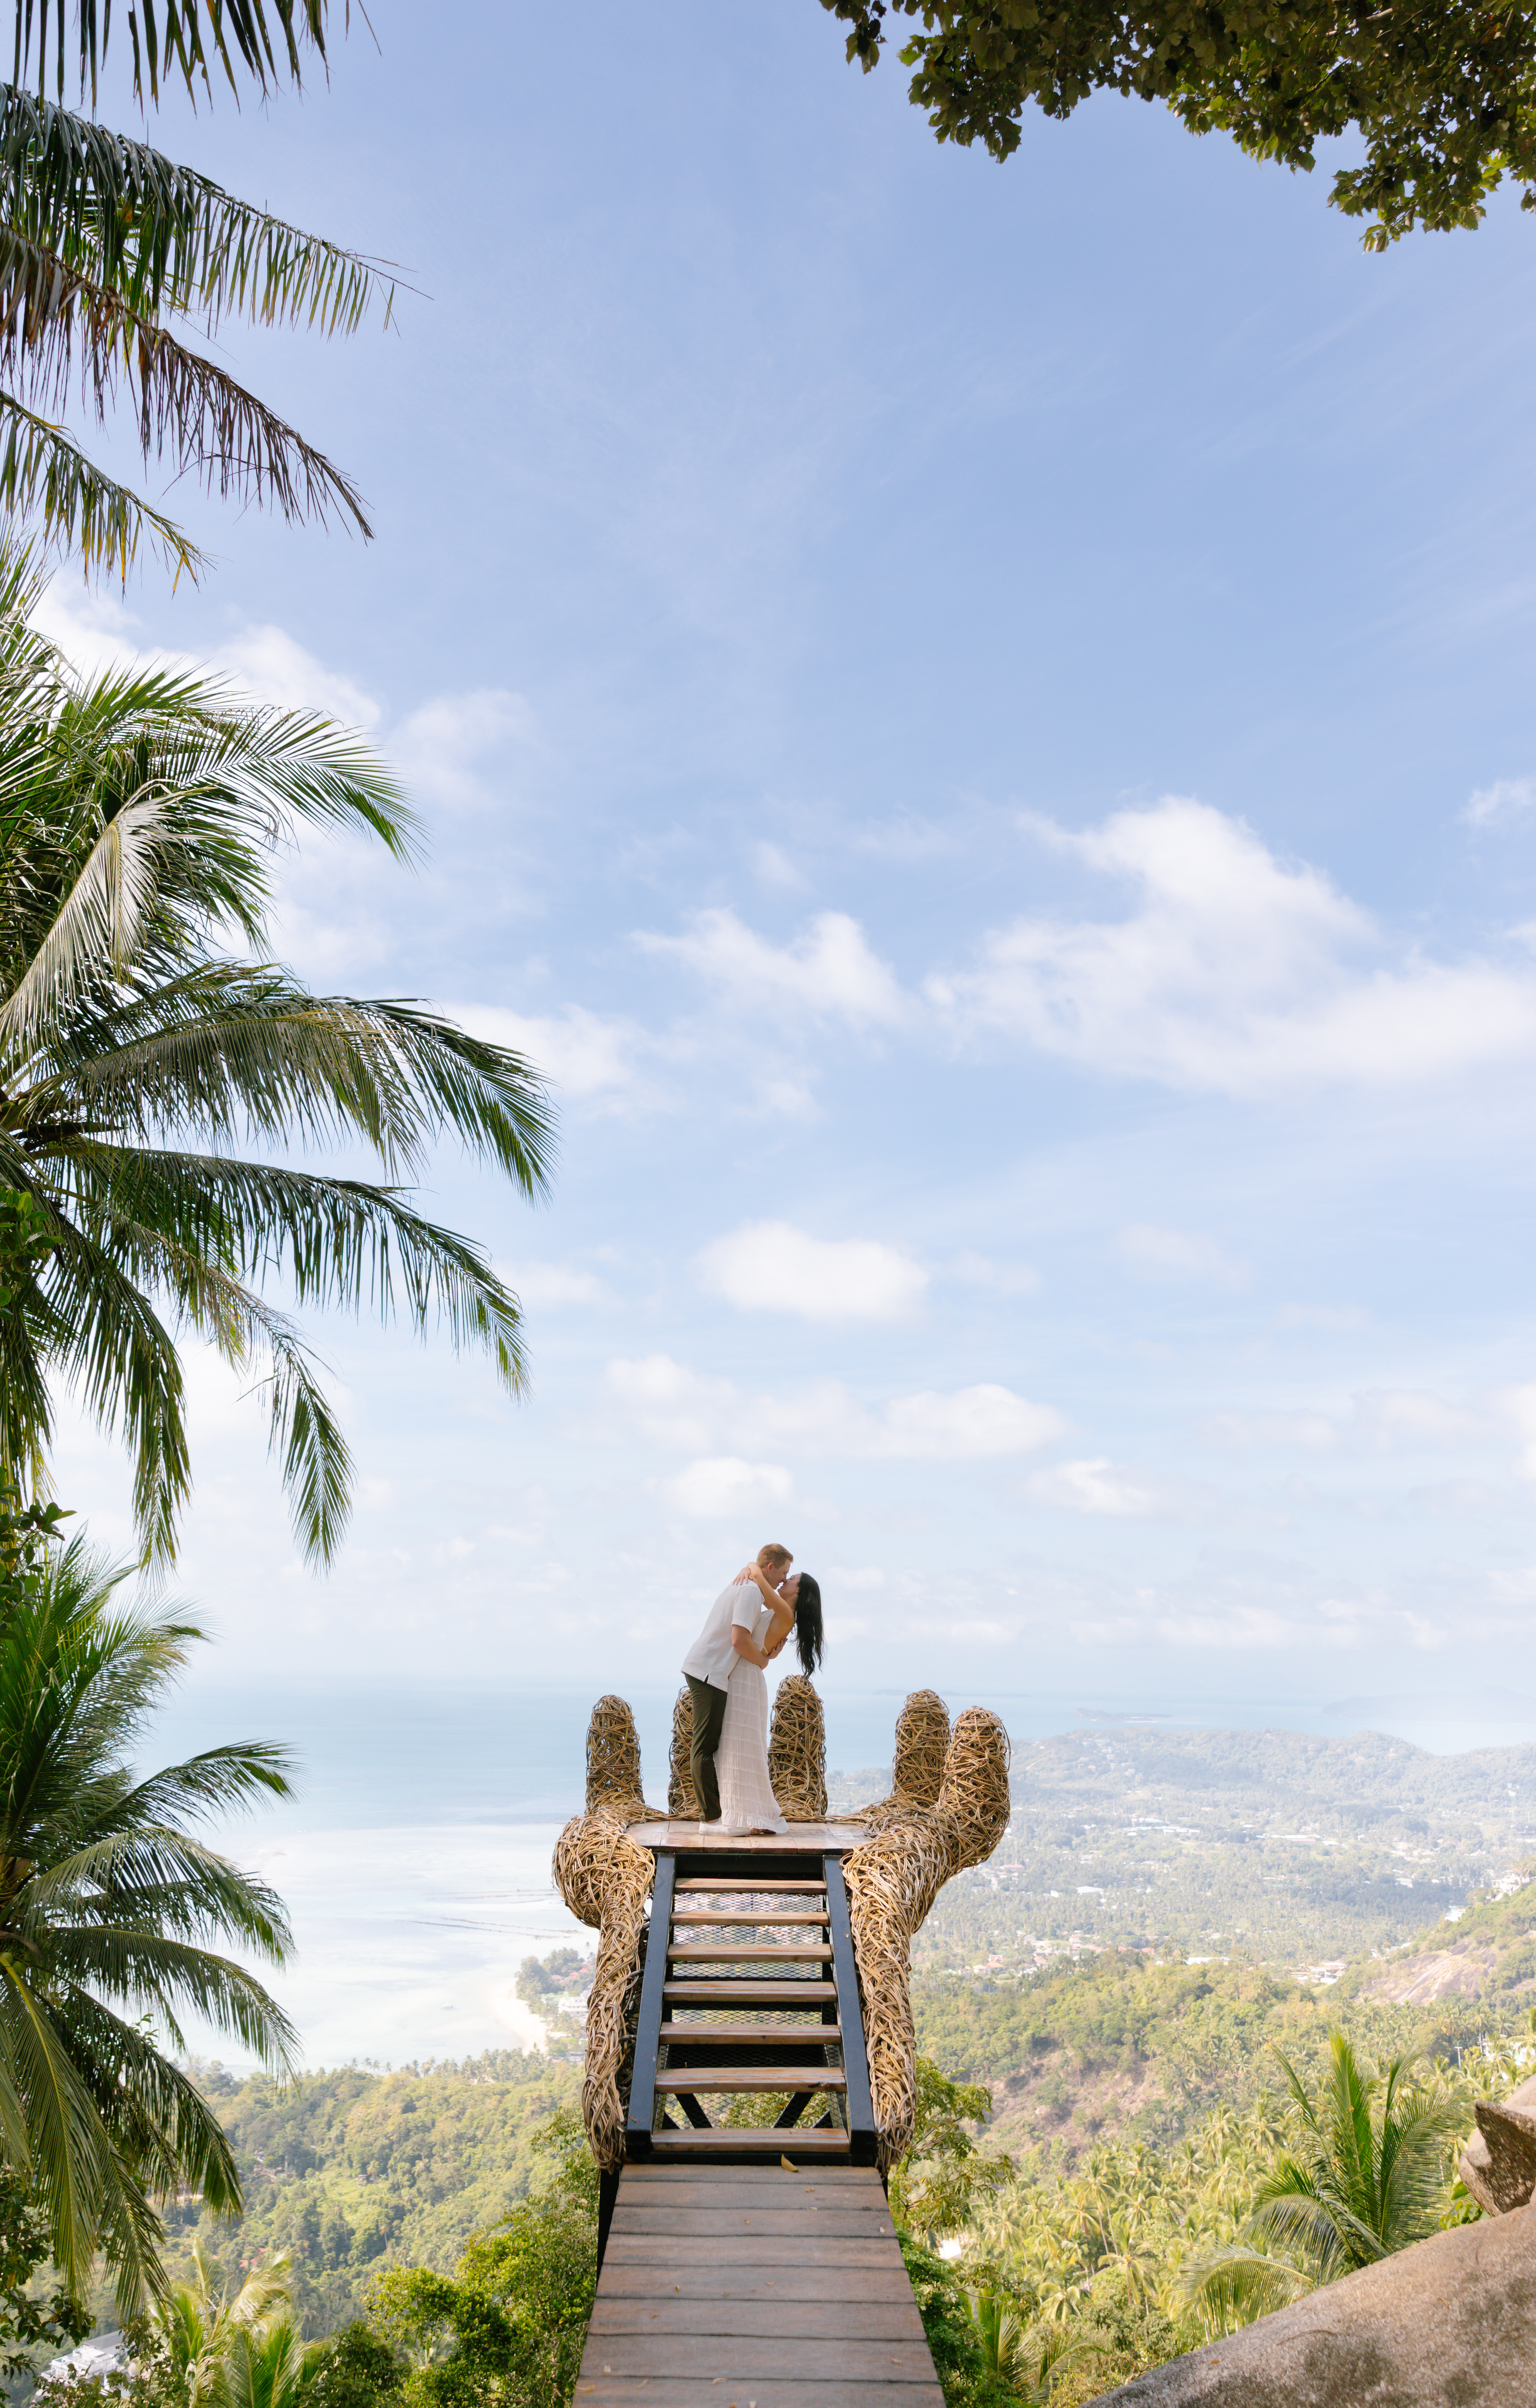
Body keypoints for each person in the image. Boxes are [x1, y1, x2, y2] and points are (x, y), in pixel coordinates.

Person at [716, 1564, 824, 1834]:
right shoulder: (783, 1613)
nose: (787, 1579)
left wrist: (751, 1566)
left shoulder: (786, 1612)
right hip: (744, 1674)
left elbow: (760, 1581)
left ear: (798, 1590)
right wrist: (766, 1657)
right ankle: (739, 1813)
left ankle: (743, 1815)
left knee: (740, 1746)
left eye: (793, 1578)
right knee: (737, 1746)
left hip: (745, 1677)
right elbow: (766, 1644)